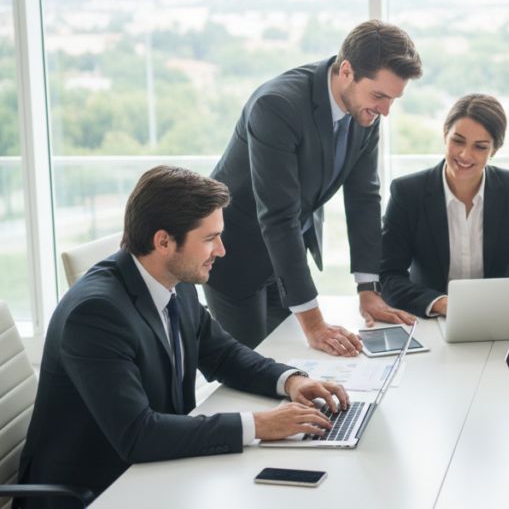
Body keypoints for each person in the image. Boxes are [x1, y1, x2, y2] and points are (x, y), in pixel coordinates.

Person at [17, 166, 349, 508]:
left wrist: (290, 380)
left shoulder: (176, 279)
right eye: (209, 238)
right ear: (163, 242)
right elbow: (138, 435)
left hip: (157, 472)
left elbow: (222, 355)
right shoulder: (96, 313)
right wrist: (261, 424)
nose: (220, 250)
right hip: (97, 490)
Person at [204, 19, 422, 355]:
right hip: (238, 258)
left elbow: (364, 196)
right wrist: (315, 323)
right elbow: (278, 216)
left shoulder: (366, 111)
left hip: (288, 260)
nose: (386, 110)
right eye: (379, 95)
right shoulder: (277, 105)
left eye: (394, 99)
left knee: (295, 363)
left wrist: (368, 288)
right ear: (346, 71)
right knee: (251, 369)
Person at [380, 94, 509, 318]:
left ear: (494, 150)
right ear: (445, 134)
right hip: (432, 319)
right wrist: (440, 303)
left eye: (480, 147)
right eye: (458, 141)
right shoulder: (407, 192)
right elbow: (388, 276)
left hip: (499, 318)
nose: (465, 155)